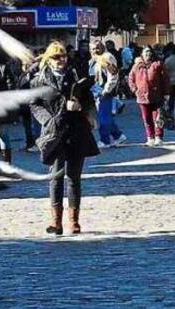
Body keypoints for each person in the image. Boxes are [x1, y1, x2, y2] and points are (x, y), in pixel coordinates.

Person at [30, 41, 99, 236]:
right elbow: (34, 105)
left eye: (63, 56)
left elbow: (88, 99)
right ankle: (56, 222)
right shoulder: (39, 80)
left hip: (76, 131)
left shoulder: (75, 75)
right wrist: (48, 120)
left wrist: (82, 107)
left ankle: (74, 221)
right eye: (56, 57)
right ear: (48, 59)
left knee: (74, 178)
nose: (61, 60)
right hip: (54, 133)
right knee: (56, 177)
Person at [128, 47, 169, 146]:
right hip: (142, 97)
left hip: (156, 96)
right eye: (146, 52)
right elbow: (131, 78)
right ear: (141, 54)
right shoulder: (137, 66)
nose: (148, 54)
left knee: (158, 118)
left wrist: (166, 93)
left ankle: (158, 137)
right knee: (146, 119)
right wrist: (135, 90)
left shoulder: (158, 65)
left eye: (149, 52)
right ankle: (150, 137)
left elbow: (165, 79)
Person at [91, 39, 127, 148]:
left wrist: (106, 90)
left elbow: (113, 75)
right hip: (97, 90)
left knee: (103, 117)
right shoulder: (95, 59)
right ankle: (118, 135)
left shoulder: (107, 57)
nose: (95, 50)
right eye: (93, 48)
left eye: (97, 48)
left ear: (102, 47)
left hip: (105, 91)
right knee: (105, 115)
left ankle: (105, 140)